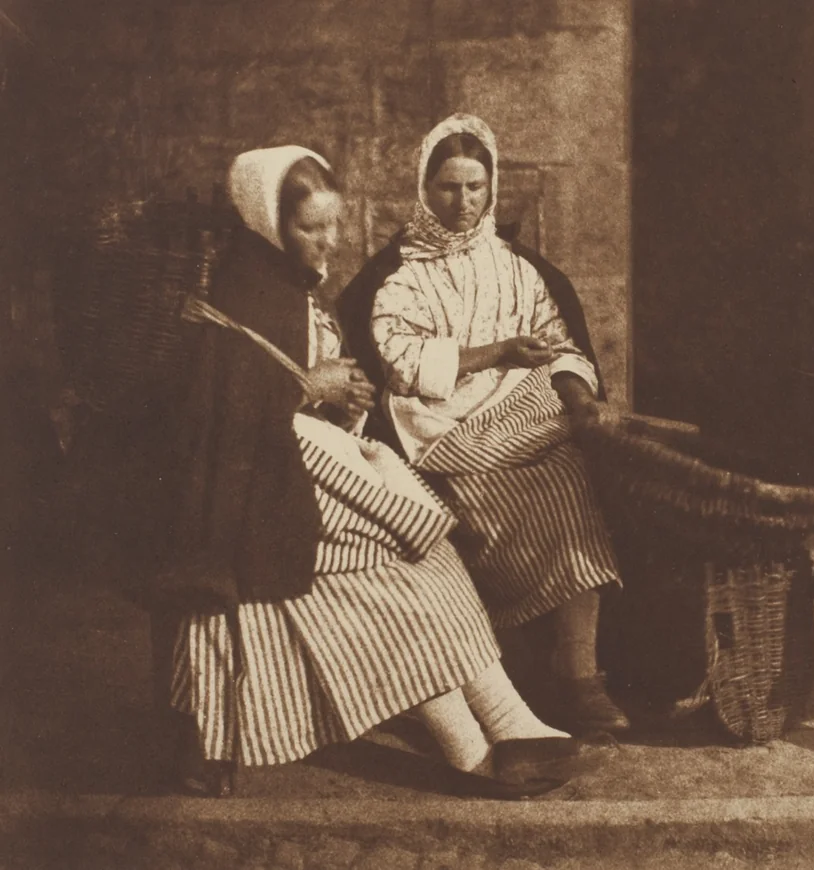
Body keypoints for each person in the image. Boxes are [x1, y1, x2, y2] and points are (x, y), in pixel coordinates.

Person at [152, 145, 583, 798]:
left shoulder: (286, 284)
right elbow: (217, 417)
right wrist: (308, 385)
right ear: (269, 222)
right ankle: (472, 749)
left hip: (301, 464)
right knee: (410, 576)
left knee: (433, 557)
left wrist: (339, 397)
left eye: (332, 223)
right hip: (256, 492)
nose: (327, 241)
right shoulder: (241, 292)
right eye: (310, 227)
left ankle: (512, 723)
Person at [338, 115, 629, 735]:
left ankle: (579, 671)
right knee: (515, 496)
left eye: (474, 187)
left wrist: (578, 400)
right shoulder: (401, 274)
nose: (462, 202)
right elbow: (404, 362)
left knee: (579, 479)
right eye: (447, 187)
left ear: (491, 187)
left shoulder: (518, 268)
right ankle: (526, 670)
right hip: (444, 433)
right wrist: (494, 352)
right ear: (424, 186)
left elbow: (561, 344)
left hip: (523, 420)